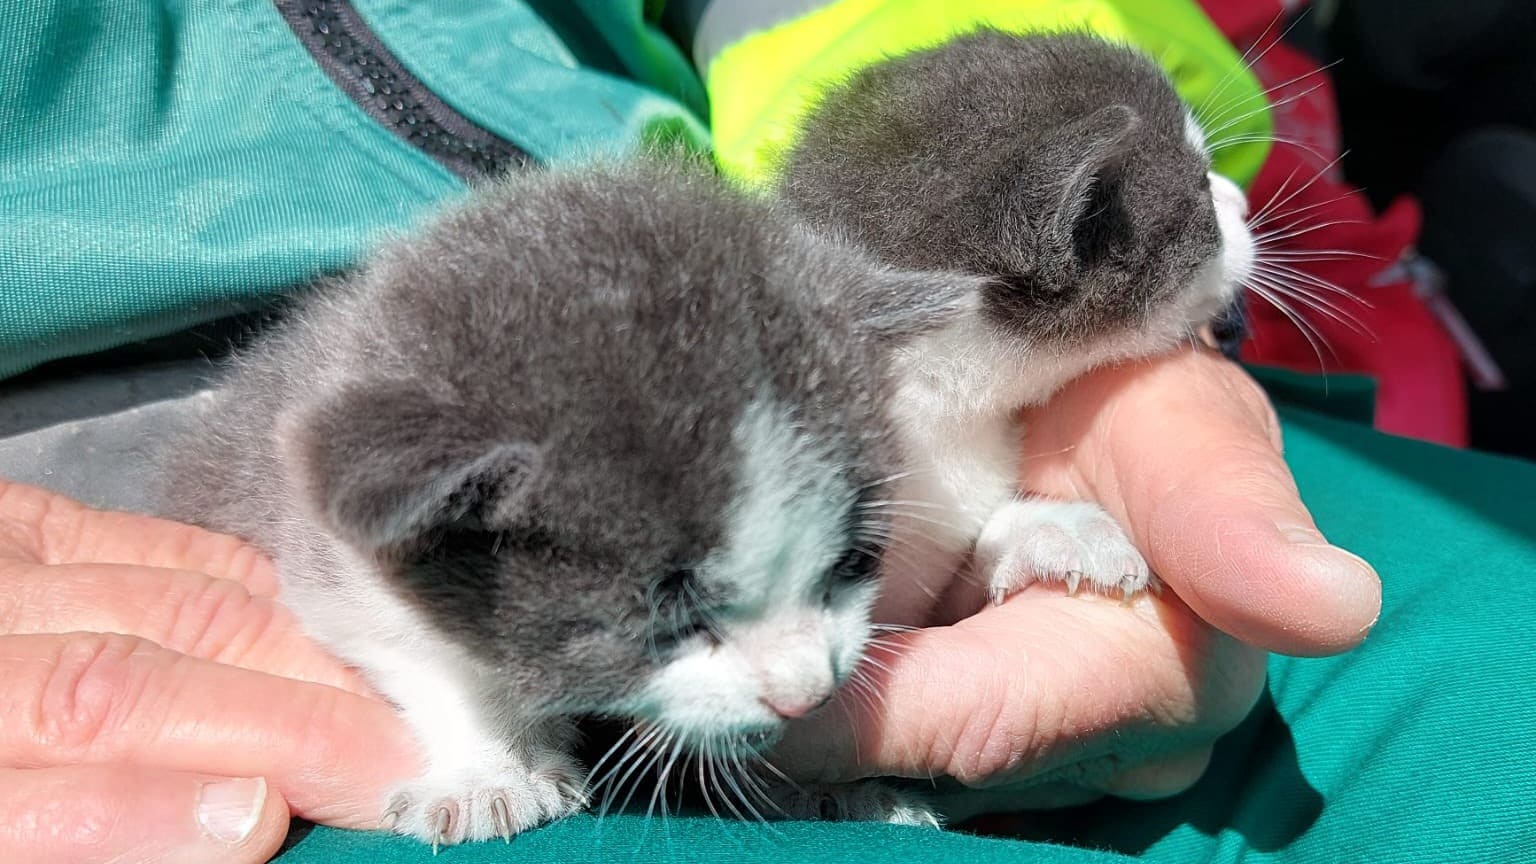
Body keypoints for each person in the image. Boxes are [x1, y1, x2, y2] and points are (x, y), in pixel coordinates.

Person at [0, 3, 1531, 864]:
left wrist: (1087, 358)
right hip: (150, 538)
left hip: (745, 267)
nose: (813, 678)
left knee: (1504, 703)